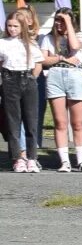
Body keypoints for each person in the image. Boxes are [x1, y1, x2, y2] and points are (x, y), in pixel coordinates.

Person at [40, 10, 82, 172]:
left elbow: (75, 46)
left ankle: (81, 160)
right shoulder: (48, 38)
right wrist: (60, 58)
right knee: (60, 122)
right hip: (55, 76)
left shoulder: (79, 35)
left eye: (63, 21)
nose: (59, 24)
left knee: (78, 122)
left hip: (75, 76)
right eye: (58, 21)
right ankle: (65, 161)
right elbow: (44, 59)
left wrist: (68, 23)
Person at [1, 9, 38, 171]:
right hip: (10, 80)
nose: (12, 29)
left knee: (30, 121)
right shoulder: (3, 43)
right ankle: (18, 158)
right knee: (13, 121)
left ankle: (32, 157)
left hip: (27, 79)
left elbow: (38, 64)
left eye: (15, 26)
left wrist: (31, 78)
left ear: (22, 27)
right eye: (9, 26)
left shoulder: (29, 43)